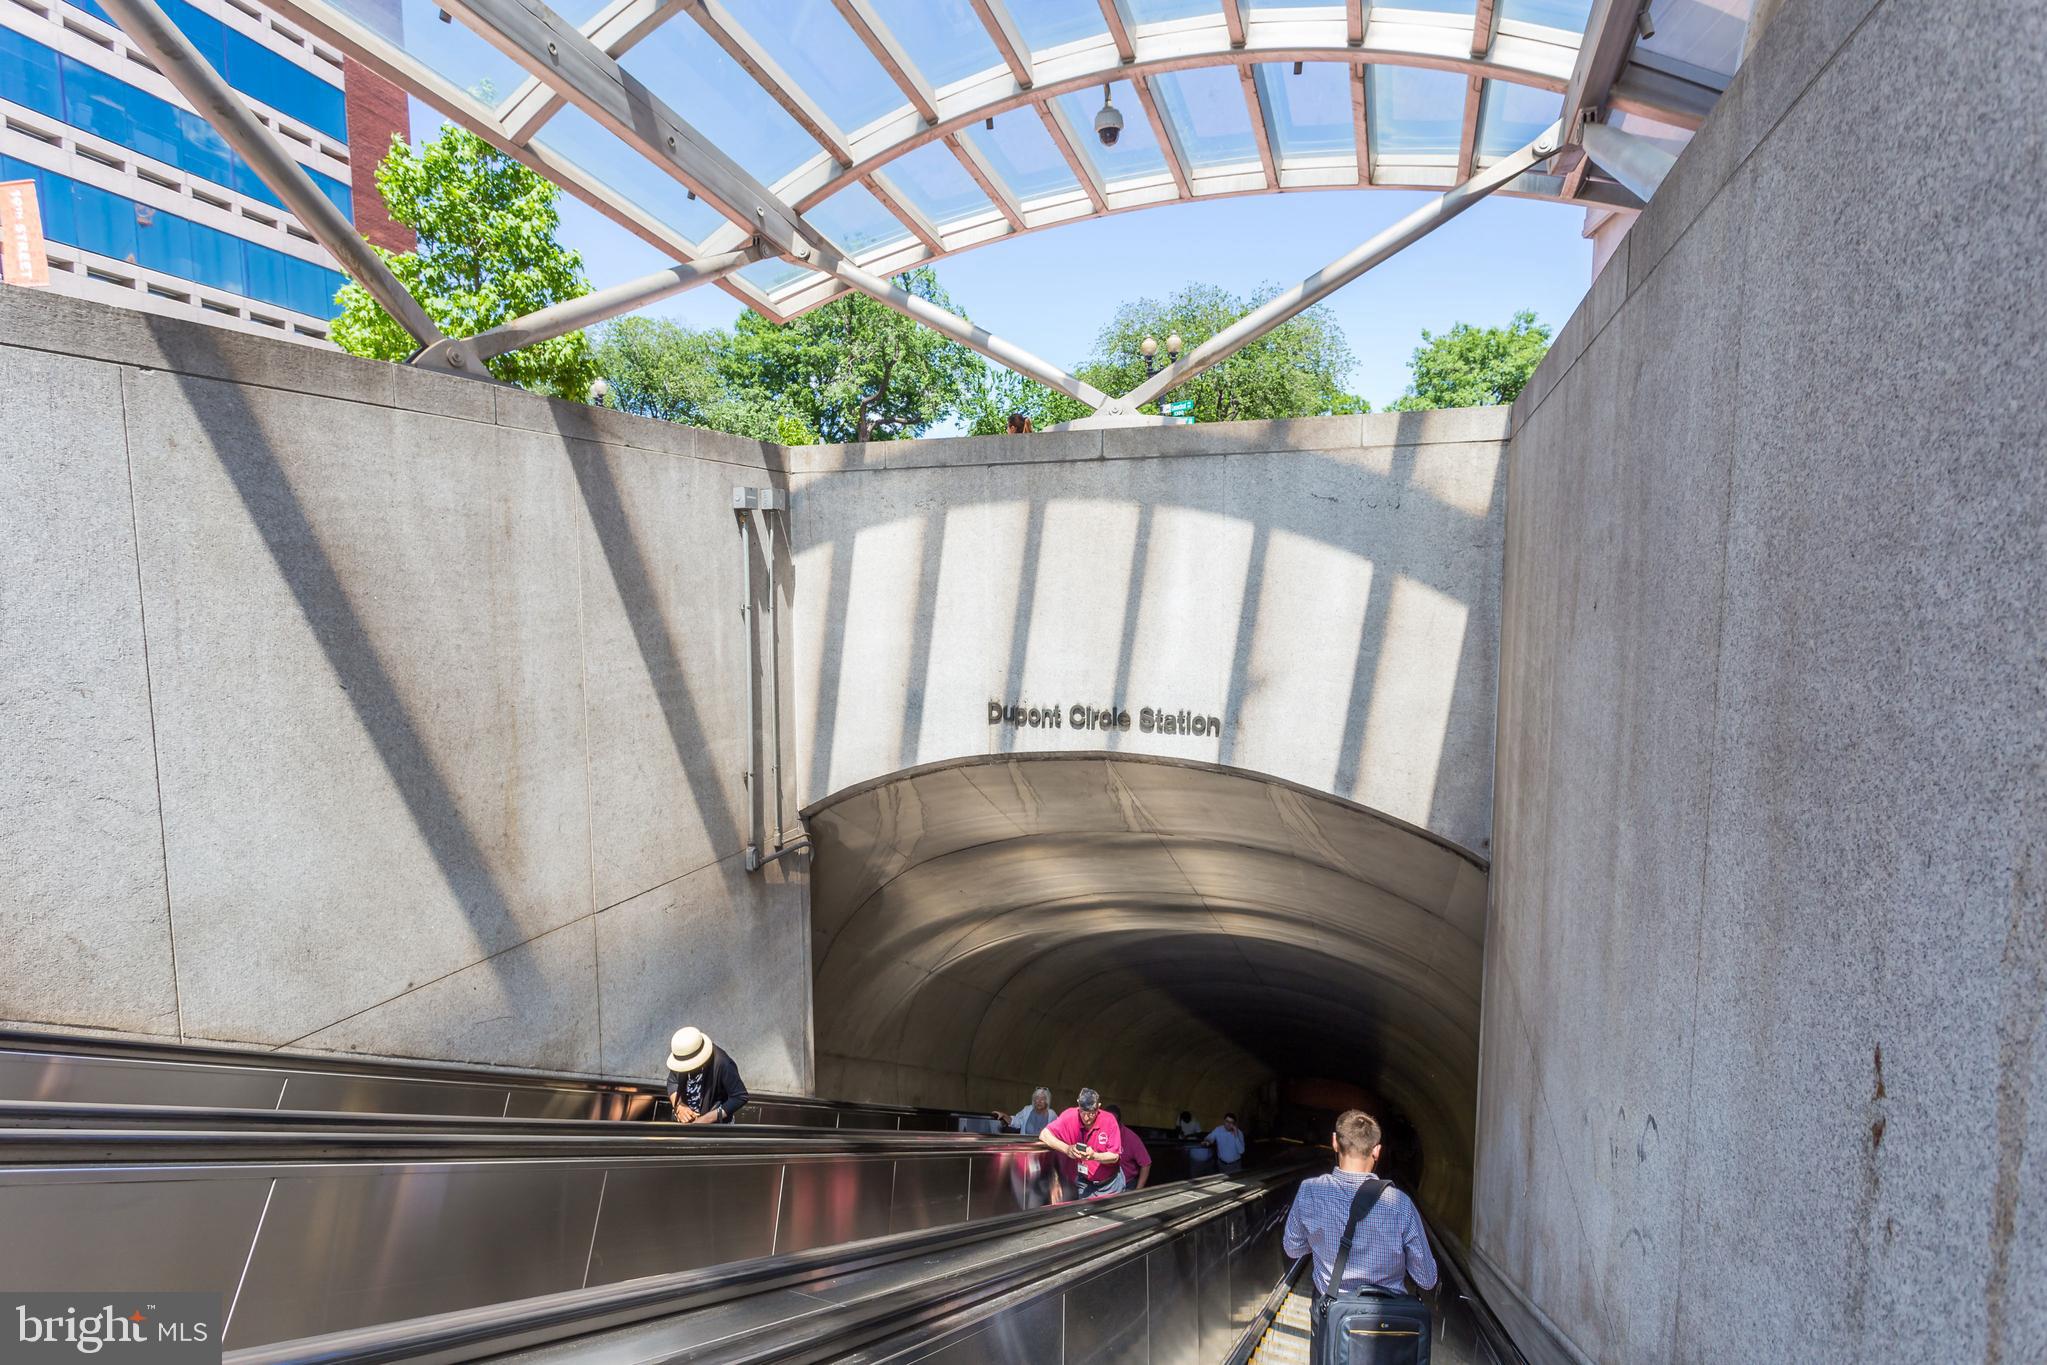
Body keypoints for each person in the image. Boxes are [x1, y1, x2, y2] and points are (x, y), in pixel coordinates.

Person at [1282, 1110, 1436, 1361]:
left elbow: (1292, 1248)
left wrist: (1321, 1238)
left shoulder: (1310, 1191)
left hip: (1332, 1315)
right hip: (1389, 1323)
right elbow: (1427, 1279)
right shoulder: (1400, 1203)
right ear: (1376, 1151)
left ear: (1334, 1141)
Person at [1039, 1087, 1124, 1200]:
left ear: (1098, 1107)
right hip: (1084, 1183)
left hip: (1110, 1184)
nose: (1086, 1118)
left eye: (1092, 1113)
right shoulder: (1069, 1116)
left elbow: (1114, 1156)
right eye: (1083, 1112)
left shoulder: (1109, 1121)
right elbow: (1044, 1135)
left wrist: (1094, 1156)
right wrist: (1067, 1149)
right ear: (1078, 1103)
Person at [663, 1025, 748, 1124]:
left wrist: (707, 1119)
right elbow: (672, 1081)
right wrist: (679, 1106)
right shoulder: (682, 1055)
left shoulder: (722, 1063)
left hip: (714, 1130)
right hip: (683, 1126)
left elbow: (739, 1097)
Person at [1105, 1104, 1151, 1189]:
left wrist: (1138, 1191)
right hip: (1103, 1184)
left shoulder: (1131, 1138)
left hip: (1126, 1184)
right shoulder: (1099, 1134)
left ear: (1118, 1124)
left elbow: (1146, 1163)